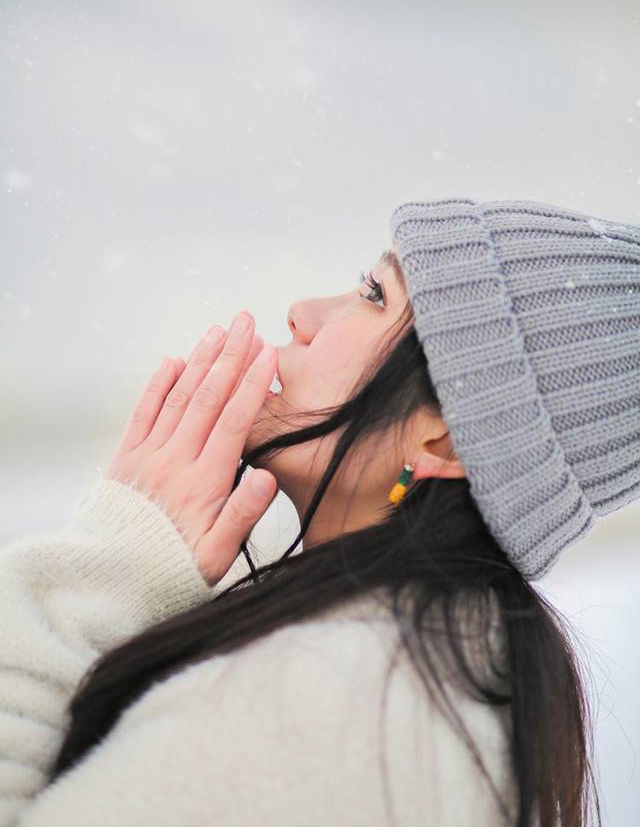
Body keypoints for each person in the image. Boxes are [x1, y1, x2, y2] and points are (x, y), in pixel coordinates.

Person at [1, 197, 638, 826]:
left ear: (442, 437)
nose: (302, 313)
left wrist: (110, 565)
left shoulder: (335, 702)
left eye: (373, 294)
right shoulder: (421, 665)